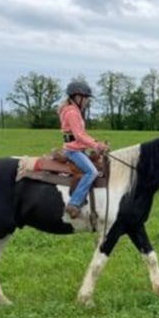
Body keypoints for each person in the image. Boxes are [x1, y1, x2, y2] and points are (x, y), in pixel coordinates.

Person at [59, 80, 108, 219]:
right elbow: (79, 136)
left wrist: (95, 143)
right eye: (86, 98)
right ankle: (74, 203)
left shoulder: (75, 111)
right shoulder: (72, 113)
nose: (87, 101)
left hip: (79, 149)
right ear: (77, 97)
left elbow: (82, 135)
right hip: (73, 151)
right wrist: (96, 145)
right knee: (91, 172)